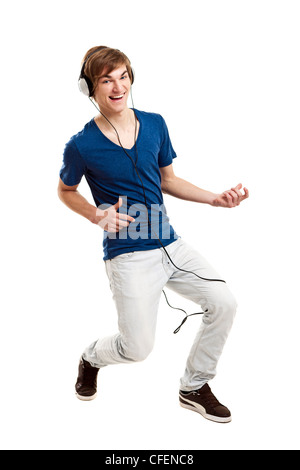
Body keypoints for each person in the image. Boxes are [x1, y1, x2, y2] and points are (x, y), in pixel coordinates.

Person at [58, 46, 249, 424]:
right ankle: (92, 357)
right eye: (106, 79)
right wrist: (97, 214)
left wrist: (215, 198)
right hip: (128, 255)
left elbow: (169, 181)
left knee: (224, 302)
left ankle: (194, 386)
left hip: (171, 245)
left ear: (131, 79)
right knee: (137, 349)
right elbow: (65, 191)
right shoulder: (80, 145)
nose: (117, 86)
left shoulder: (156, 123)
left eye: (123, 76)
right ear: (89, 89)